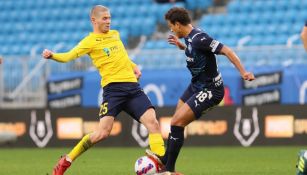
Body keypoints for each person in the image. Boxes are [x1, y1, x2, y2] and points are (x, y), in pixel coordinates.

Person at [42, 5, 165, 175]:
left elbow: (122, 57)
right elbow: (69, 55)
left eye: (109, 18)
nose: (109, 21)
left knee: (153, 123)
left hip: (133, 88)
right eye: (105, 18)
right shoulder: (89, 42)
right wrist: (53, 55)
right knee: (102, 133)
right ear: (94, 20)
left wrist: (134, 66)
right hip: (113, 91)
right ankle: (66, 161)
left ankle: (164, 168)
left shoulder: (115, 34)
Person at [146, 7, 255, 175]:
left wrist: (243, 72)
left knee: (176, 123)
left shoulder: (199, 38)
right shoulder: (189, 38)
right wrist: (182, 46)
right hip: (196, 84)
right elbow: (195, 51)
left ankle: (169, 170)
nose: (171, 30)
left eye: (171, 26)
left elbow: (227, 51)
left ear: (178, 24)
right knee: (176, 120)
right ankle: (166, 158)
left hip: (211, 89)